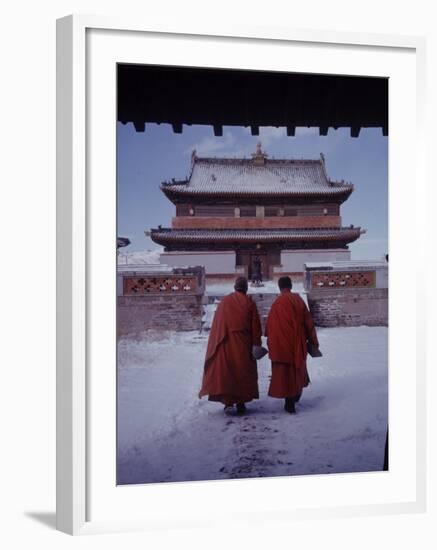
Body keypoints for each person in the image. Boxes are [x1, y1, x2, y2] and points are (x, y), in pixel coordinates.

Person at [199, 276, 262, 415]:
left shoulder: (224, 302)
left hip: (225, 341)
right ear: (245, 288)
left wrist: (217, 340)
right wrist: (256, 343)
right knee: (241, 371)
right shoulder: (249, 302)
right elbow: (256, 326)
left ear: (235, 287)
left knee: (227, 372)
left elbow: (217, 324)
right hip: (243, 343)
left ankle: (228, 402)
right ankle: (241, 403)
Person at [265, 276, 319, 414]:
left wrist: (272, 342)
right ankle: (294, 396)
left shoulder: (276, 303)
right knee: (296, 369)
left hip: (281, 344)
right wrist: (313, 342)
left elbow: (269, 328)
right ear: (291, 286)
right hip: (296, 342)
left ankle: (289, 400)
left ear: (279, 287)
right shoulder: (298, 300)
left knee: (285, 373)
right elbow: (309, 323)